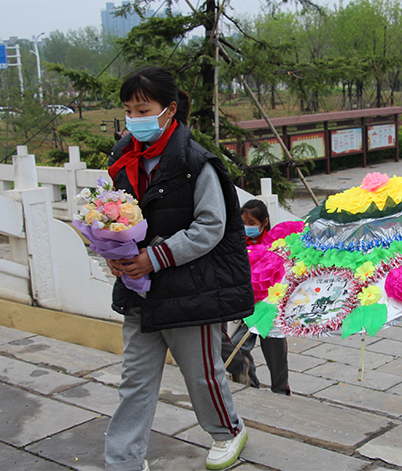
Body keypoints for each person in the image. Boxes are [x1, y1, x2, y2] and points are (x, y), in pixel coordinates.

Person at [104, 66, 254, 471]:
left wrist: (152, 257)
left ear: (169, 110)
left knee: (202, 375)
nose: (135, 118)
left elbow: (211, 227)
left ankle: (228, 431)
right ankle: (124, 459)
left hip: (190, 287)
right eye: (128, 110)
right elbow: (111, 216)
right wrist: (114, 253)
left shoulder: (195, 161)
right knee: (134, 379)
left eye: (143, 108)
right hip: (140, 289)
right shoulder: (123, 157)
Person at [222, 199, 291, 395]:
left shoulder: (276, 244)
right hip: (247, 308)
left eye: (252, 223)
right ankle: (251, 384)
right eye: (244, 222)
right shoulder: (236, 244)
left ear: (264, 222)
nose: (247, 227)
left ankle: (281, 392)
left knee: (276, 357)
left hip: (271, 309)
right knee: (237, 347)